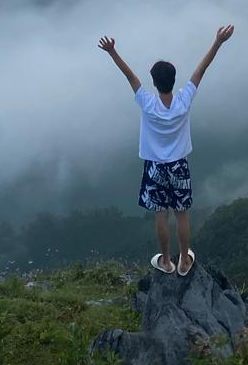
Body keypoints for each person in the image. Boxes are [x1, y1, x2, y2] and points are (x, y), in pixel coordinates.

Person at [97, 25, 235, 276]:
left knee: (160, 215)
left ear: (153, 82)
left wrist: (112, 52)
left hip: (154, 166)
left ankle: (166, 262)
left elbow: (130, 77)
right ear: (174, 80)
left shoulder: (148, 103)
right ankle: (184, 262)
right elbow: (201, 70)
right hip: (179, 165)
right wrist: (218, 42)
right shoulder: (183, 101)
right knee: (181, 214)